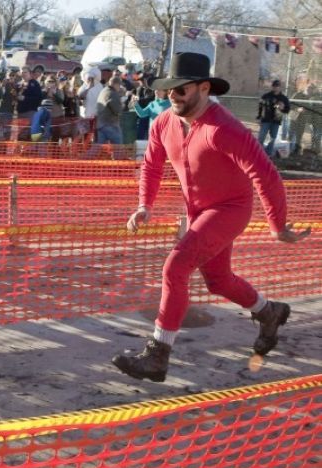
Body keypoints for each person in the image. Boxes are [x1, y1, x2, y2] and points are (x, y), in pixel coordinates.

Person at [112, 52, 311, 383]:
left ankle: (157, 355)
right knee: (218, 280)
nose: (172, 95)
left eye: (181, 89)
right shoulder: (164, 122)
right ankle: (269, 312)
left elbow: (266, 175)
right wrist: (144, 204)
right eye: (169, 89)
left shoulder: (225, 129)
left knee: (175, 268)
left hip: (230, 209)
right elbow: (151, 164)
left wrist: (277, 226)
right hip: (198, 210)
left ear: (204, 88)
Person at [257, 79, 290, 157]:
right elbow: (260, 106)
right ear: (272, 87)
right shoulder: (266, 96)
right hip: (266, 120)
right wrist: (259, 117)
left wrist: (282, 108)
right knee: (261, 137)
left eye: (277, 86)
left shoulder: (284, 98)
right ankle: (259, 153)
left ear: (280, 87)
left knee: (272, 138)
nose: (276, 88)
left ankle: (268, 154)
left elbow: (287, 110)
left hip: (276, 121)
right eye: (274, 86)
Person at [95, 76, 123, 144]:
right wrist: (122, 105)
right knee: (118, 148)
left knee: (97, 148)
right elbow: (117, 111)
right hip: (111, 124)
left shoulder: (104, 90)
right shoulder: (113, 93)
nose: (119, 88)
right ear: (116, 84)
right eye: (119, 86)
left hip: (100, 123)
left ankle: (88, 155)